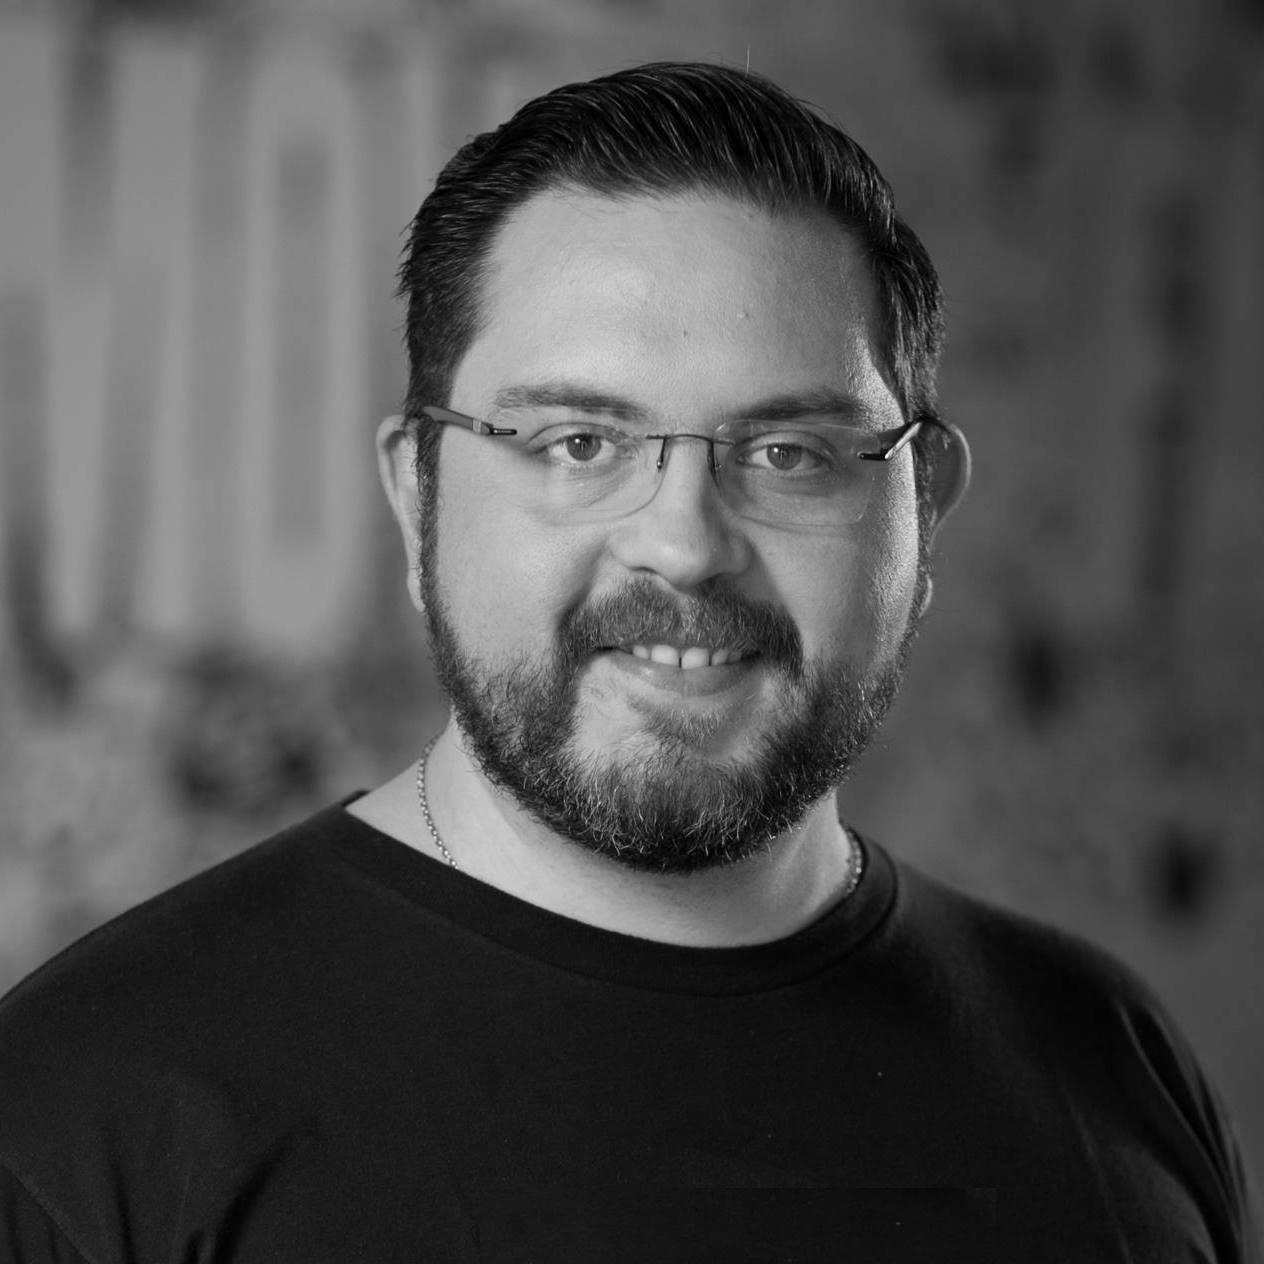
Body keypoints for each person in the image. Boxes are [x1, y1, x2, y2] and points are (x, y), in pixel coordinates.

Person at [0, 61, 1258, 1264]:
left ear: (921, 509)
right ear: (416, 494)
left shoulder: (1110, 1067)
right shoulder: (86, 1116)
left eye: (788, 454)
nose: (683, 545)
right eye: (577, 443)